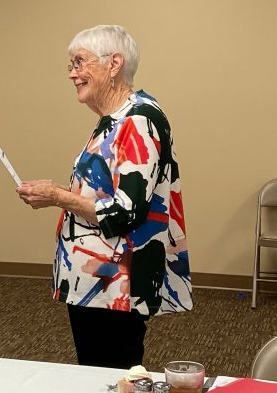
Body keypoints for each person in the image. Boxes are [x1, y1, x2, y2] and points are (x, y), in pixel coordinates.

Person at [16, 25, 192, 368]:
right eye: (70, 65)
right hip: (99, 280)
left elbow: (125, 212)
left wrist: (57, 196)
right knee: (98, 372)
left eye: (79, 63)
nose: (72, 74)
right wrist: (60, 194)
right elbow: (106, 194)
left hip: (116, 285)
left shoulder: (139, 120)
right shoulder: (114, 120)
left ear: (114, 63)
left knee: (112, 374)